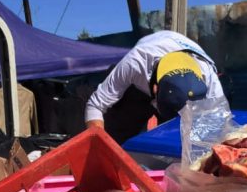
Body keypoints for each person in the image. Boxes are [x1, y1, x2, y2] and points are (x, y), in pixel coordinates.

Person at [85, 30, 223, 144]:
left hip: (174, 63)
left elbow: (218, 123)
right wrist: (101, 145)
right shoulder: (135, 63)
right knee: (116, 134)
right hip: (138, 86)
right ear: (156, 89)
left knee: (179, 140)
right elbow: (95, 105)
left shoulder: (209, 76)